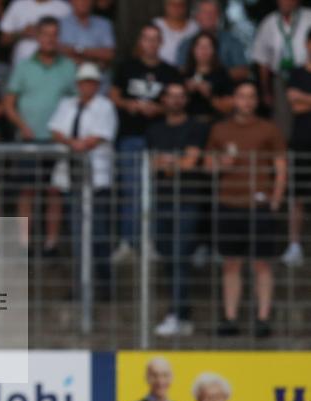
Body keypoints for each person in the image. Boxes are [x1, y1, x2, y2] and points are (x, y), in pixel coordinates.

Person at [205, 81, 287, 338]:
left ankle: (263, 318)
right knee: (231, 263)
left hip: (259, 205)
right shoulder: (220, 129)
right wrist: (221, 163)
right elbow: (208, 165)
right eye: (242, 96)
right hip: (229, 203)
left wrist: (276, 198)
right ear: (233, 99)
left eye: (252, 97)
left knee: (262, 264)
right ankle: (230, 317)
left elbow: (281, 166)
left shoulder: (269, 129)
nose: (247, 101)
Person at [110, 24, 182, 263]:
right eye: (146, 39)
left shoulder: (170, 72)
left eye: (155, 39)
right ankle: (128, 242)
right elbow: (113, 94)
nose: (151, 43)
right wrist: (130, 105)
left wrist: (158, 108)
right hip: (130, 136)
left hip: (161, 138)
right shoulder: (126, 67)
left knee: (157, 192)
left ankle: (150, 242)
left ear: (161, 43)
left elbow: (178, 102)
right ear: (140, 42)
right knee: (131, 191)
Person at [4, 16, 76, 254]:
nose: (50, 39)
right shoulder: (24, 66)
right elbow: (9, 103)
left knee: (54, 191)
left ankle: (51, 243)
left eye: (54, 34)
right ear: (37, 36)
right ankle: (24, 243)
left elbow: (76, 102)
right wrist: (21, 125)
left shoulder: (68, 67)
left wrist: (66, 130)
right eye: (45, 34)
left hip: (57, 141)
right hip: (28, 140)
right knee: (27, 190)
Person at [48, 62, 117, 298]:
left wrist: (77, 144)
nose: (87, 86)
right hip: (72, 178)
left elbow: (100, 136)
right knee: (77, 236)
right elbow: (56, 130)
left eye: (91, 82)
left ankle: (103, 285)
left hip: (95, 179)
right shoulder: (67, 104)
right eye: (83, 82)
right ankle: (81, 285)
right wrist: (74, 144)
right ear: (78, 84)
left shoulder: (105, 106)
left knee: (97, 235)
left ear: (96, 85)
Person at [146, 82, 209, 337]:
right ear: (163, 99)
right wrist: (174, 162)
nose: (175, 100)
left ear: (186, 100)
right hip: (162, 201)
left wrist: (169, 163)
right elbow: (151, 163)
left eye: (180, 95)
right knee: (165, 253)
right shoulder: (154, 130)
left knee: (179, 256)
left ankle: (179, 314)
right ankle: (179, 311)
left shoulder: (196, 127)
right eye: (171, 95)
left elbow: (190, 161)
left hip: (187, 200)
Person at [252, 0, 311, 137]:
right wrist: (266, 91)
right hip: (281, 77)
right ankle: (285, 154)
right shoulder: (269, 22)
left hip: (307, 73)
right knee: (282, 120)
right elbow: (263, 60)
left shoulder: (309, 17)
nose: (287, 2)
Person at [282, 28, 311, 268]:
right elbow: (295, 105)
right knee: (297, 196)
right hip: (301, 142)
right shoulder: (297, 73)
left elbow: (302, 103)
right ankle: (294, 244)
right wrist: (300, 101)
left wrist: (306, 99)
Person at [175, 0, 250, 82]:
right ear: (197, 16)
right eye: (205, 12)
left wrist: (212, 76)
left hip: (225, 91)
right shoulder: (186, 44)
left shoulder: (232, 41)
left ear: (219, 16)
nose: (209, 16)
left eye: (213, 12)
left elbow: (243, 72)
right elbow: (180, 72)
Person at [0, 0, 71, 68]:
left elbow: (71, 41)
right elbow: (3, 40)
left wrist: (50, 37)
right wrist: (22, 33)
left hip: (55, 68)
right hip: (21, 68)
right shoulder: (18, 5)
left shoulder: (64, 8)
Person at [182, 32, 234, 123]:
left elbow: (228, 108)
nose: (203, 50)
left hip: (214, 123)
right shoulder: (184, 74)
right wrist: (185, 92)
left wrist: (209, 95)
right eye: (200, 46)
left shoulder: (222, 75)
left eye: (208, 46)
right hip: (186, 124)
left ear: (214, 50)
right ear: (193, 50)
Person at [58, 0, 115, 73]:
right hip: (69, 77)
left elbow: (108, 54)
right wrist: (93, 57)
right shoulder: (61, 24)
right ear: (71, 1)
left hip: (98, 78)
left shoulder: (104, 24)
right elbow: (59, 51)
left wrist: (77, 50)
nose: (84, 2)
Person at [153, 0, 198, 67]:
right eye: (172, 4)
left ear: (186, 7)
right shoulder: (156, 24)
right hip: (159, 71)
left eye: (181, 5)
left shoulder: (194, 27)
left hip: (186, 71)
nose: (176, 8)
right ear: (166, 6)